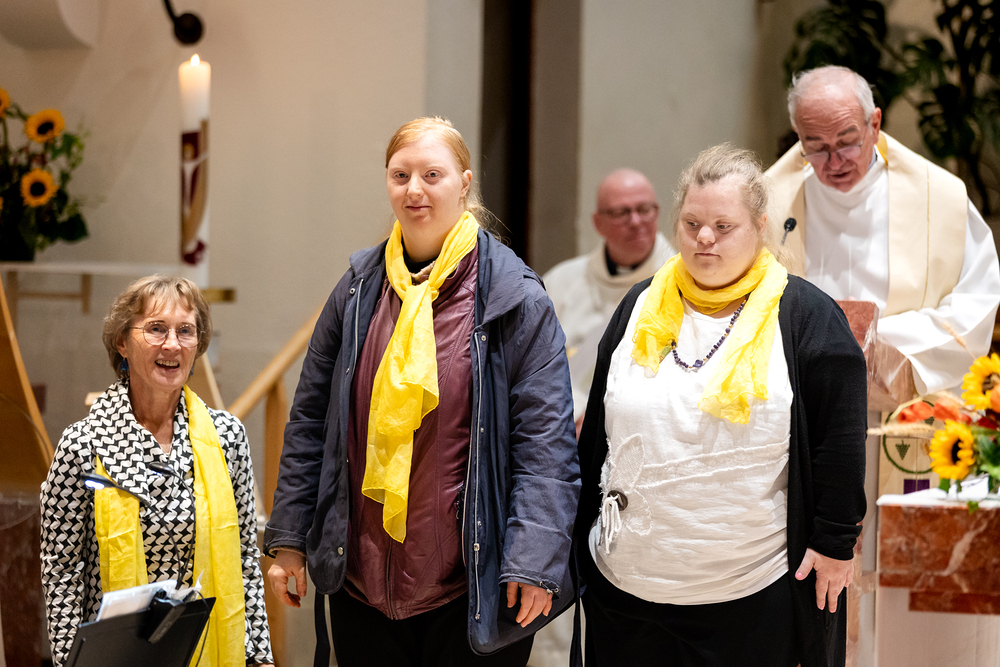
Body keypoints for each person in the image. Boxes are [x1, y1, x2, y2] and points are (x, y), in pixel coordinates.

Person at [264, 117, 580, 666]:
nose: (414, 190)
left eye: (432, 174)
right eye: (400, 175)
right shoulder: (358, 290)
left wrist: (534, 559)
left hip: (470, 586)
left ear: (464, 183)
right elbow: (311, 420)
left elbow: (545, 445)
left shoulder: (514, 296)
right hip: (362, 584)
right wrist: (290, 535)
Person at [575, 144, 867, 667]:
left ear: (759, 227)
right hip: (626, 591)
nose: (704, 238)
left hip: (749, 594)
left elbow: (839, 441)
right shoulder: (639, 305)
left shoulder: (806, 316)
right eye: (692, 224)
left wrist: (834, 543)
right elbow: (598, 431)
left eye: (723, 226)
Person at [39, 275, 273, 667]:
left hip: (208, 651)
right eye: (156, 329)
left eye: (186, 331)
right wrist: (69, 661)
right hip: (116, 656)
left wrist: (260, 656)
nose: (172, 344)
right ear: (122, 342)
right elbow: (61, 572)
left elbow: (245, 557)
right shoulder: (82, 445)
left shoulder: (226, 438)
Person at [768, 65, 1000, 398]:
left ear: (874, 125)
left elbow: (976, 301)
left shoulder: (939, 197)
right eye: (816, 147)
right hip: (806, 397)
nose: (835, 163)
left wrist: (875, 339)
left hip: (906, 401)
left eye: (847, 143)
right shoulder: (770, 201)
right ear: (798, 134)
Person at [543, 169, 675, 424]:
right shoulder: (561, 282)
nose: (635, 221)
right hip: (562, 422)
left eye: (644, 209)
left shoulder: (682, 283)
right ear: (598, 223)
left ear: (657, 212)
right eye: (621, 212)